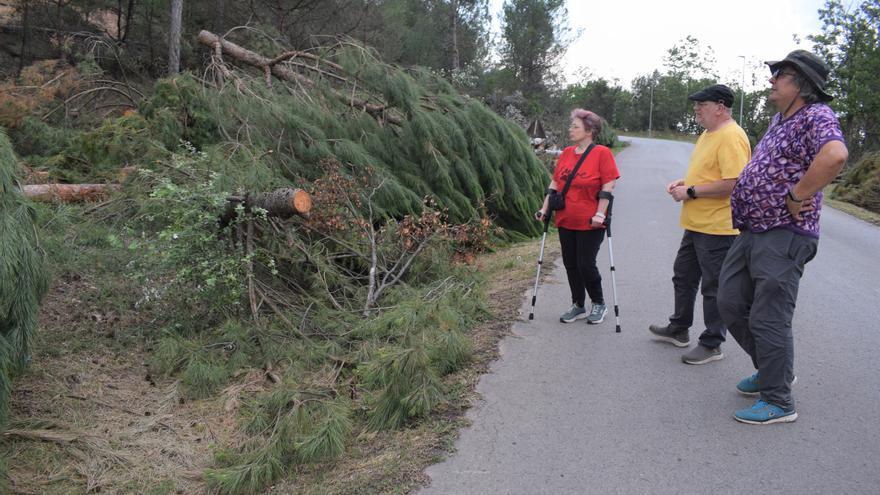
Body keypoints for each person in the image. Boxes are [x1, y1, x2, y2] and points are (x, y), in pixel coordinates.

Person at [718, 50, 848, 424]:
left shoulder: (816, 115)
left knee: (769, 316)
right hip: (753, 230)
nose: (772, 80)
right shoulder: (779, 119)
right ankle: (772, 371)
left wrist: (797, 195)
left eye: (780, 74)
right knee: (729, 301)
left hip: (784, 234)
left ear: (801, 85)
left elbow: (835, 155)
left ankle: (778, 400)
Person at [648, 84, 751, 365]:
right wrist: (685, 182)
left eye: (701, 105)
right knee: (683, 276)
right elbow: (710, 173)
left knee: (713, 287)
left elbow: (734, 183)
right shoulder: (709, 134)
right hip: (696, 224)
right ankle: (679, 328)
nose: (696, 109)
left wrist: (691, 192)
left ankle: (712, 343)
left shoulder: (731, 136)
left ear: (720, 107)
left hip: (718, 227)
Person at [536, 109, 620, 324]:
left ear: (589, 130)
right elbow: (555, 184)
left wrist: (601, 213)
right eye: (571, 126)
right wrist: (544, 209)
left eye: (575, 126)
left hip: (591, 221)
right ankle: (578, 304)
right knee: (570, 263)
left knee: (585, 263)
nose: (570, 130)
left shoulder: (602, 153)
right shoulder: (566, 153)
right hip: (566, 218)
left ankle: (599, 303)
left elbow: (608, 185)